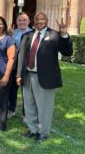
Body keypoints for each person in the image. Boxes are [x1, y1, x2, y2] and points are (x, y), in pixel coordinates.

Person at [16, 12, 73, 142]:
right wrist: (18, 74)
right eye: (37, 19)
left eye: (42, 19)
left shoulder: (54, 35)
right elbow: (21, 57)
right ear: (33, 21)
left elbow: (67, 52)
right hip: (27, 76)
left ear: (47, 21)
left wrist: (64, 34)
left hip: (45, 77)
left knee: (44, 107)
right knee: (29, 105)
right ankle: (32, 129)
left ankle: (43, 132)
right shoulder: (27, 35)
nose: (39, 21)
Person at [7, 12, 32, 119]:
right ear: (16, 22)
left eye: (24, 20)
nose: (22, 22)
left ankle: (26, 114)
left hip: (26, 66)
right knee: (12, 89)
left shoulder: (33, 33)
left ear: (29, 21)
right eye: (20, 20)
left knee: (26, 92)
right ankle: (11, 110)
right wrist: (9, 35)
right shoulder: (13, 32)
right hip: (14, 65)